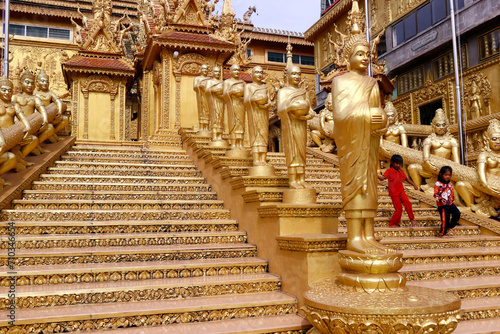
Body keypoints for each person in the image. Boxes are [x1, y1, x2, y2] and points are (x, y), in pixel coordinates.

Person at [378, 154, 418, 227]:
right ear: (392, 163)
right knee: (399, 209)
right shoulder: (389, 171)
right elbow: (382, 178)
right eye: (397, 163)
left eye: (400, 163)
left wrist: (414, 185)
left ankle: (412, 219)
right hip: (394, 193)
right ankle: (393, 223)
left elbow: (407, 179)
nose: (398, 165)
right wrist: (374, 173)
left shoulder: (401, 171)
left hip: (401, 191)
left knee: (408, 203)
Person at [434, 166, 461, 237]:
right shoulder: (438, 184)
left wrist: (453, 200)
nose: (448, 177)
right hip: (442, 205)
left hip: (450, 203)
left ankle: (450, 227)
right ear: (441, 175)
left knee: (457, 213)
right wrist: (440, 200)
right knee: (445, 219)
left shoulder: (450, 184)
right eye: (446, 175)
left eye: (449, 175)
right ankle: (443, 233)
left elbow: (452, 193)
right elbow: (435, 195)